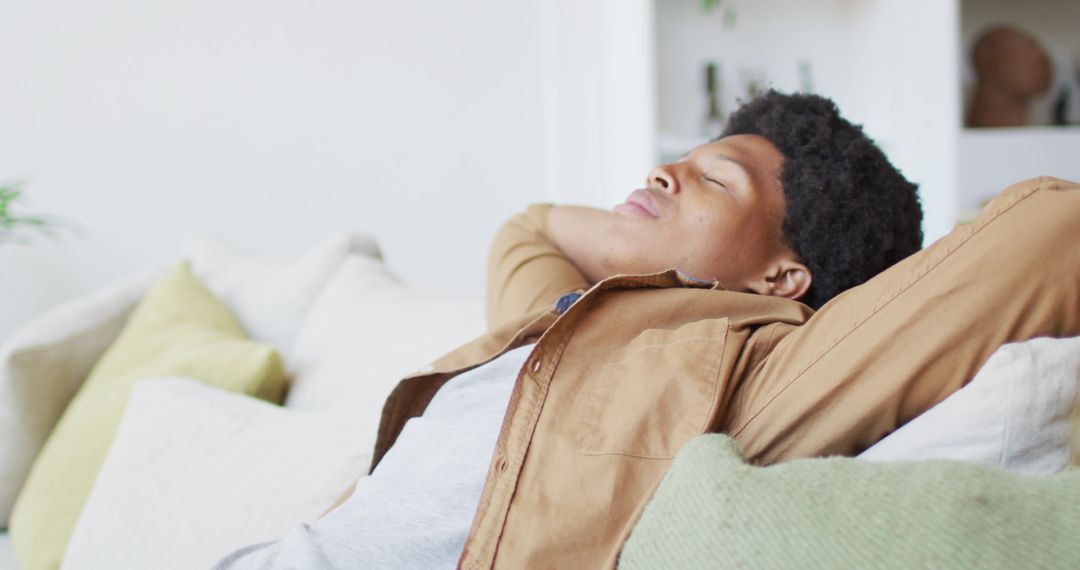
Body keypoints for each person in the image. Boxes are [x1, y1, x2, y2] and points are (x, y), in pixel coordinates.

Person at [215, 91, 1080, 569]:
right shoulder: (563, 322)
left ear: (784, 278)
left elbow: (1050, 233)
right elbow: (530, 228)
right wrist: (648, 240)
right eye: (680, 159)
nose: (662, 172)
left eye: (716, 178)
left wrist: (716, 271)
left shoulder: (765, 366)